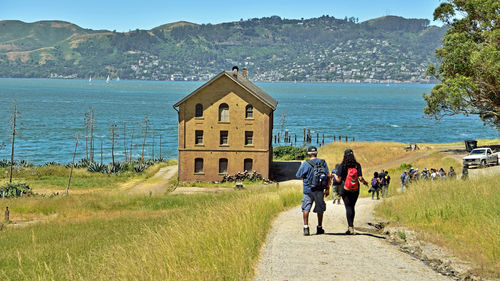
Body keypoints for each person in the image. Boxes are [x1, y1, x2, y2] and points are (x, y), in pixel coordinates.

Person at [332, 149, 368, 235]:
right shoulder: (357, 165)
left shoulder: (342, 165)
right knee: (352, 207)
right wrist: (365, 182)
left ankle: (350, 227)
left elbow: (339, 180)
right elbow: (360, 178)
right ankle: (351, 226)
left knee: (348, 207)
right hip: (355, 188)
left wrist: (334, 175)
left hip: (345, 188)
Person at [296, 146, 330, 236]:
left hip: (308, 189)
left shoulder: (305, 163)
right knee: (320, 209)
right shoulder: (322, 162)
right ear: (316, 153)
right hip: (319, 189)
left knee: (306, 208)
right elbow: (328, 176)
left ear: (308, 154)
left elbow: (299, 175)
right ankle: (319, 227)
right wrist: (327, 188)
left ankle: (306, 228)